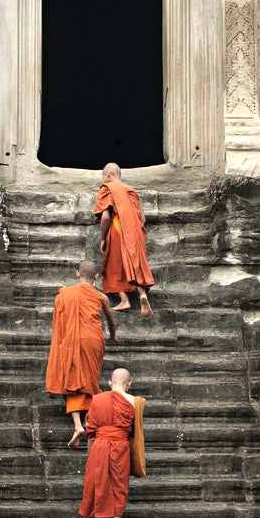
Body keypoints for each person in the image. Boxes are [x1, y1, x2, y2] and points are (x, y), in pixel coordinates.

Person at [45, 261, 118, 449]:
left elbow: (60, 320)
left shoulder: (64, 294)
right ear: (96, 277)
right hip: (93, 340)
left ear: (77, 274)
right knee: (89, 378)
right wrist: (112, 336)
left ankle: (78, 425)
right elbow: (111, 321)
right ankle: (87, 420)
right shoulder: (102, 297)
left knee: (72, 377)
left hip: (70, 339)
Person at [78, 367, 145, 518]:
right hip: (119, 448)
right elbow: (136, 434)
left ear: (109, 383)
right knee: (118, 494)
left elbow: (90, 430)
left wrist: (91, 456)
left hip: (98, 447)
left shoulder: (97, 399)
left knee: (99, 487)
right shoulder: (135, 402)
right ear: (129, 384)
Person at [94, 163, 154, 319]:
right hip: (135, 233)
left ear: (107, 175)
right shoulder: (131, 191)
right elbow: (143, 217)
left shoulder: (106, 189)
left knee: (113, 265)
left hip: (117, 229)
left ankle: (124, 300)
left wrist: (102, 239)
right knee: (135, 263)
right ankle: (142, 294)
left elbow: (106, 217)